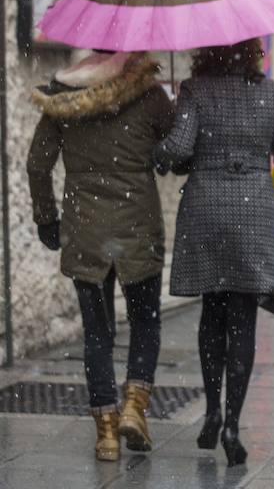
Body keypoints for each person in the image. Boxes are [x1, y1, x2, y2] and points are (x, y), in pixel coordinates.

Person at [154, 38, 274, 466]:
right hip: (252, 213)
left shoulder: (195, 90)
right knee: (243, 318)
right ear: (254, 50)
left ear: (208, 49)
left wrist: (162, 151)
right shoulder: (272, 93)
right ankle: (234, 421)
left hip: (206, 210)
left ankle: (212, 411)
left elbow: (179, 149)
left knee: (211, 313)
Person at [27, 51, 173, 461]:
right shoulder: (149, 93)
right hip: (136, 226)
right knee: (145, 320)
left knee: (97, 332)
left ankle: (106, 431)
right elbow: (175, 146)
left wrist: (46, 219)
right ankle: (134, 407)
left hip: (85, 228)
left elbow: (37, 165)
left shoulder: (64, 97)